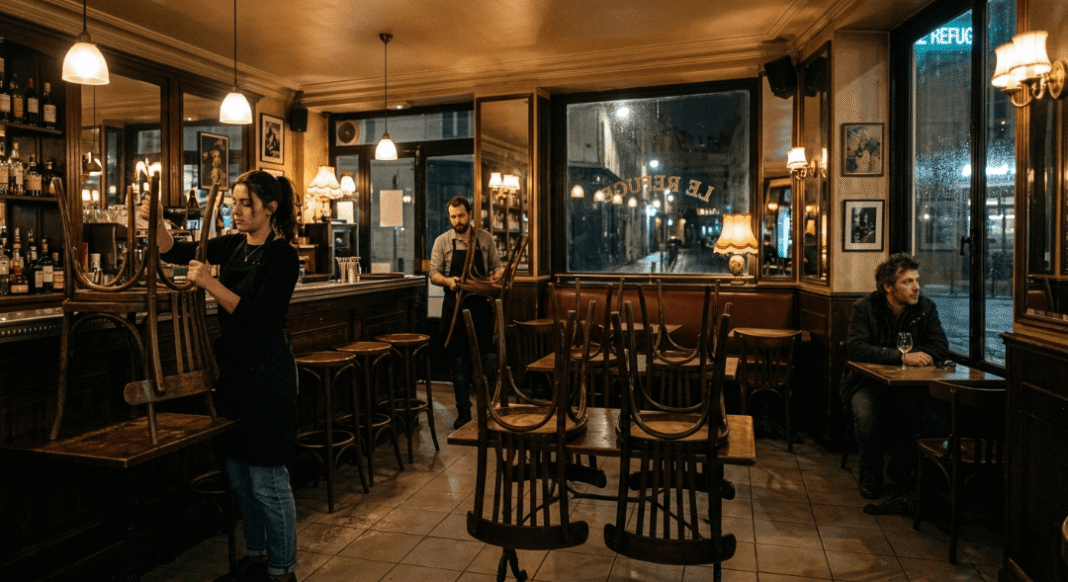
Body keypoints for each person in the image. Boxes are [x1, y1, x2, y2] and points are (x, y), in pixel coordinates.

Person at [153, 170, 301, 582]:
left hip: (268, 376)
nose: (234, 210)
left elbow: (261, 315)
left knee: (269, 480)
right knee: (241, 478)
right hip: (233, 374)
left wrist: (208, 283)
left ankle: (282, 570)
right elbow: (174, 252)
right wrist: (154, 221)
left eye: (244, 203)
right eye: (233, 202)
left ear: (269, 208)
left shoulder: (282, 256)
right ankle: (256, 558)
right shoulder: (233, 244)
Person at [841, 253, 950, 500]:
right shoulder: (865, 308)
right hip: (866, 383)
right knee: (866, 413)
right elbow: (856, 348)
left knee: (932, 415)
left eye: (917, 280)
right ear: (888, 287)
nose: (916, 287)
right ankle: (872, 474)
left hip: (910, 387)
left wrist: (920, 355)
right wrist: (902, 357)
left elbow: (940, 346)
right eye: (908, 282)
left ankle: (901, 469)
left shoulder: (926, 308)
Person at [429, 196, 503, 429]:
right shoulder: (442, 241)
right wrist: (449, 281)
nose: (457, 220)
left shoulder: (484, 239)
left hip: (481, 308)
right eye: (453, 216)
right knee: (458, 363)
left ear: (469, 214)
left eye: (461, 215)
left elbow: (497, 268)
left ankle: (491, 410)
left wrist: (496, 276)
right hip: (455, 310)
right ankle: (463, 413)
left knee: (487, 361)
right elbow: (434, 274)